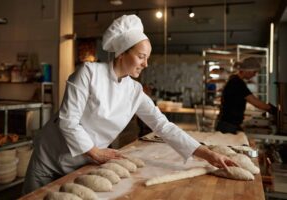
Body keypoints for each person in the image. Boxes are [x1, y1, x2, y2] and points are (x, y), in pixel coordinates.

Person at [23, 14, 237, 194]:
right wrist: (95, 152)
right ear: (122, 53)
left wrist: (207, 153)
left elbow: (164, 126)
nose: (145, 64)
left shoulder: (134, 91)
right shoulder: (88, 73)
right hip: (50, 158)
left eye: (147, 58)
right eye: (141, 56)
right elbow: (68, 121)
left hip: (82, 163)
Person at [215, 57, 277, 133]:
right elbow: (255, 102)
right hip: (228, 124)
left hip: (228, 123)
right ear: (247, 71)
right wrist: (274, 110)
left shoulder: (235, 80)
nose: (254, 75)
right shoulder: (237, 83)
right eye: (254, 72)